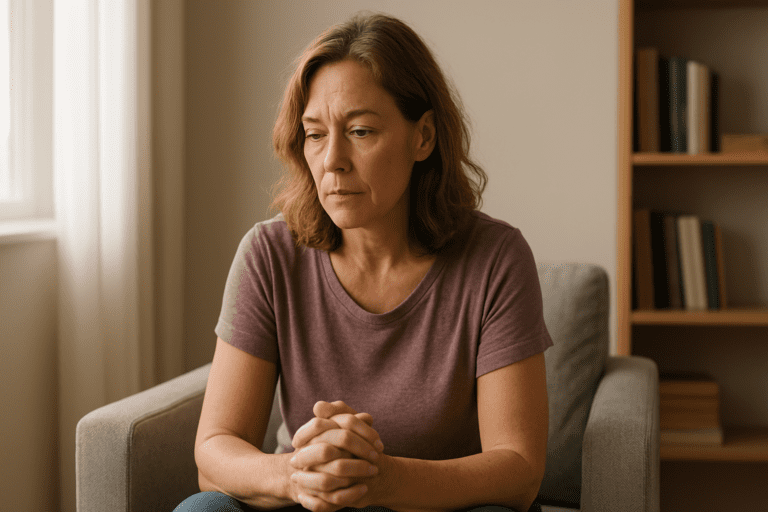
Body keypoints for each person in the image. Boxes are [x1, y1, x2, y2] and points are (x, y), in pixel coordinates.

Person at [175, 12, 552, 512]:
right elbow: (214, 452)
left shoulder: (496, 260)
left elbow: (519, 469)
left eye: (360, 131)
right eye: (314, 134)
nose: (332, 160)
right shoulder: (268, 256)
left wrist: (384, 480)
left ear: (423, 137)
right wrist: (295, 475)